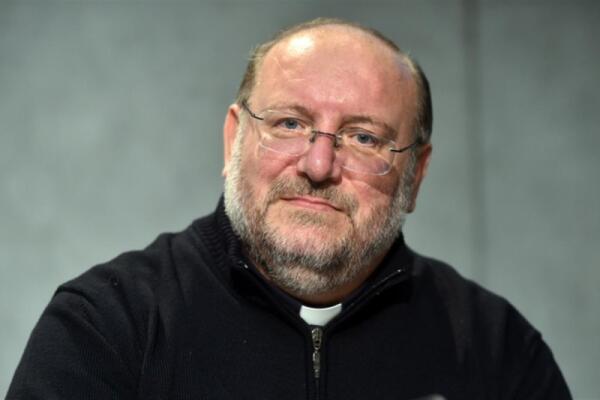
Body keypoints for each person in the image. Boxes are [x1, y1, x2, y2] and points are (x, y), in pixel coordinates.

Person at [8, 18, 571, 400]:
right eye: (290, 124)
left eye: (364, 138)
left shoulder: (497, 352)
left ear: (415, 175)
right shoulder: (108, 326)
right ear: (234, 141)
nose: (319, 164)